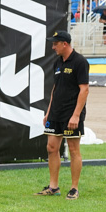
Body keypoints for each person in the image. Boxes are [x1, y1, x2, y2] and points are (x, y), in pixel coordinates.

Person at [36, 31, 88, 200]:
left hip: (71, 113)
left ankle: (74, 188)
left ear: (64, 44)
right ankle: (53, 187)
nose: (53, 47)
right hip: (55, 113)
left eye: (55, 44)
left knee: (73, 149)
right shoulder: (57, 62)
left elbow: (84, 89)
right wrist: (49, 111)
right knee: (51, 148)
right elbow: (55, 89)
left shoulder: (80, 62)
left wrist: (76, 116)